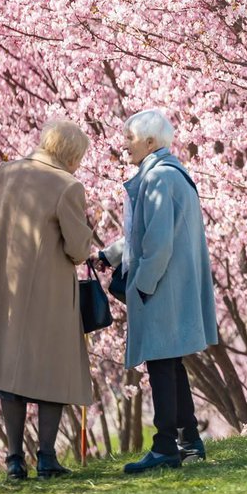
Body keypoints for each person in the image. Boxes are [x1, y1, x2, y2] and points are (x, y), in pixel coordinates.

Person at [0, 120, 94, 481]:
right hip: (52, 295)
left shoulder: (4, 173)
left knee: (10, 374)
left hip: (5, 290)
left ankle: (14, 460)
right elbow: (78, 250)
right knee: (52, 372)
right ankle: (46, 459)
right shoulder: (67, 186)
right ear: (72, 155)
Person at [97, 109, 218, 474]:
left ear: (150, 142)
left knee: (162, 365)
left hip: (161, 286)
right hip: (174, 284)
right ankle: (188, 439)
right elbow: (143, 233)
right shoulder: (171, 174)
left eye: (130, 138)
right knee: (171, 361)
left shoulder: (159, 179)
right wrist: (109, 255)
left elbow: (158, 243)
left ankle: (165, 446)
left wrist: (141, 286)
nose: (125, 144)